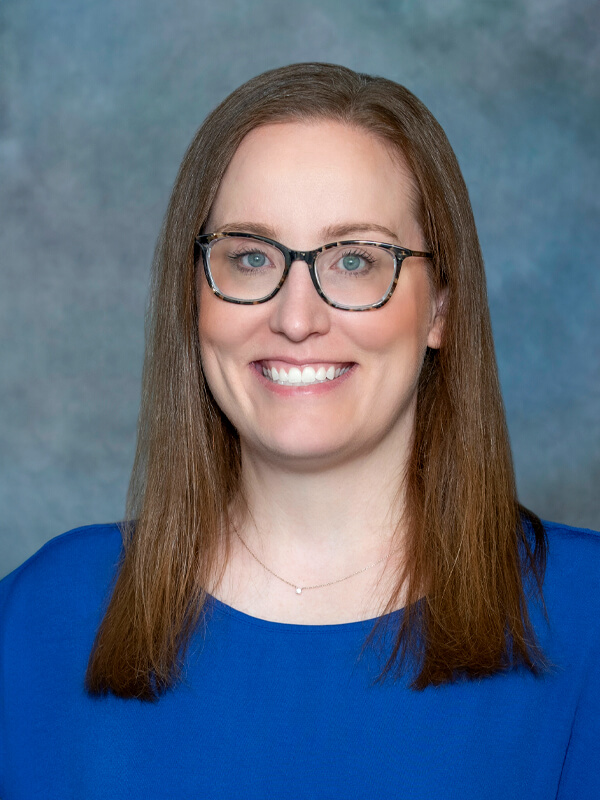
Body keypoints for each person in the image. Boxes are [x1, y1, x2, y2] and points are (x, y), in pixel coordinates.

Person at [1, 62, 598, 799]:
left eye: (355, 260)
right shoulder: (40, 619)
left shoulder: (586, 616)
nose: (295, 316)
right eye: (251, 257)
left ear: (441, 306)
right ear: (194, 296)